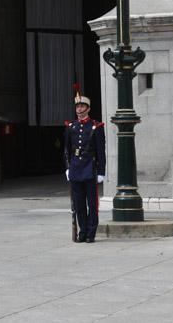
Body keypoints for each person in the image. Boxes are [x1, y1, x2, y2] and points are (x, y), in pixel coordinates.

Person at [64, 86, 106, 243]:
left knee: (92, 203)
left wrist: (101, 171)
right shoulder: (71, 126)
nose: (79, 109)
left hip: (89, 167)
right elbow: (67, 150)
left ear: (88, 108)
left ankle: (91, 233)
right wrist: (67, 168)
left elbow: (101, 151)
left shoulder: (96, 126)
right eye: (77, 106)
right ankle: (82, 231)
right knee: (79, 203)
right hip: (75, 167)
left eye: (81, 106)